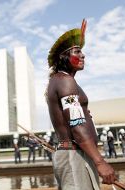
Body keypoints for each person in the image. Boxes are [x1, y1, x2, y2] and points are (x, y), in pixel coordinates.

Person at [46, 19, 116, 189]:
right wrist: (100, 161)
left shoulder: (62, 81)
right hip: (74, 156)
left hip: (77, 153)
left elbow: (76, 116)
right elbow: (77, 125)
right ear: (64, 57)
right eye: (77, 51)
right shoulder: (65, 81)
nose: (83, 55)